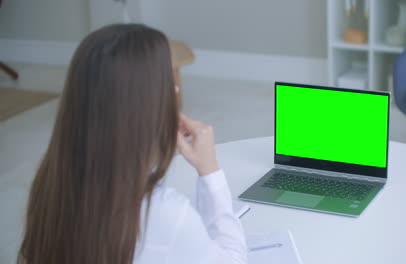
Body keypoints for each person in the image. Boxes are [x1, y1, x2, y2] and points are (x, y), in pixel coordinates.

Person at [17, 24, 247, 264]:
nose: (176, 88)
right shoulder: (163, 213)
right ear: (145, 103)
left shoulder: (51, 179)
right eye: (167, 80)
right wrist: (209, 169)